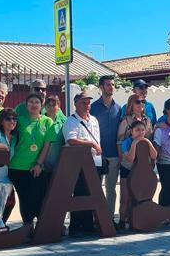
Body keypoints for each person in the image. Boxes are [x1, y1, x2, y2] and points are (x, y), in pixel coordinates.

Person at [10, 94, 55, 229]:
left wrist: (39, 164)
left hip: (36, 167)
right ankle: (27, 227)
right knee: (24, 199)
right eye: (31, 102)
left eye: (37, 102)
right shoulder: (19, 120)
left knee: (38, 197)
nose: (34, 105)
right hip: (17, 166)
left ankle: (41, 227)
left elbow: (47, 145)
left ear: (41, 105)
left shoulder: (47, 122)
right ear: (26, 105)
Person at [64, 92, 103, 234]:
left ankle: (88, 225)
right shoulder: (71, 121)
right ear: (75, 104)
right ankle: (76, 226)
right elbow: (71, 140)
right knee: (80, 194)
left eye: (88, 103)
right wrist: (91, 144)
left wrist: (96, 146)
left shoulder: (94, 119)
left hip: (95, 162)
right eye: (83, 103)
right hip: (79, 164)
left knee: (93, 194)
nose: (87, 105)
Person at [90, 75, 122, 221]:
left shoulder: (118, 108)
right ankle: (97, 219)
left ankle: (108, 219)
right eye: (108, 85)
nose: (111, 87)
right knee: (95, 189)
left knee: (111, 190)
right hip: (96, 155)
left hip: (114, 155)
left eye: (113, 84)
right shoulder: (93, 108)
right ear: (101, 87)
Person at [118, 120, 158, 230]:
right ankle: (122, 220)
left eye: (142, 130)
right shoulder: (126, 142)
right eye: (137, 130)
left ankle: (134, 220)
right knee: (125, 197)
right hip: (127, 170)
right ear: (132, 132)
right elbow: (130, 158)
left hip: (140, 173)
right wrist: (135, 143)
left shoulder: (146, 141)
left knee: (137, 198)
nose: (140, 133)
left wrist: (148, 143)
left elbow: (154, 155)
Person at [43, 95, 66, 170]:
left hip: (58, 166)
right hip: (41, 165)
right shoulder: (40, 122)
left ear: (59, 107)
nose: (51, 108)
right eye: (49, 105)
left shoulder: (63, 124)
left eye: (54, 105)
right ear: (45, 107)